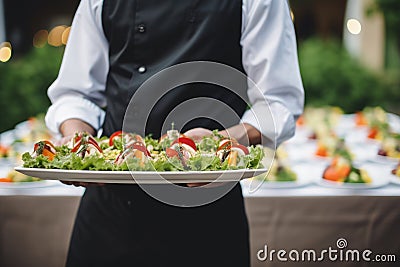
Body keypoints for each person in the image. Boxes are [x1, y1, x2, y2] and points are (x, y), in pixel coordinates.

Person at [45, 0, 304, 266]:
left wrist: (223, 141)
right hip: (111, 215)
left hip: (208, 219)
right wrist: (79, 144)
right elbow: (76, 93)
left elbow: (278, 100)